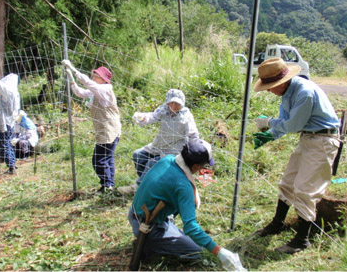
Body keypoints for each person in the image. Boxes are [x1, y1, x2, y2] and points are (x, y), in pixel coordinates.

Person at [252, 58, 340, 254]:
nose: (268, 90)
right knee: (288, 182)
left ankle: (302, 240)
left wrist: (268, 123)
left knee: (305, 190)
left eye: (270, 87)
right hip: (308, 138)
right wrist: (270, 135)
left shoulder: (304, 92)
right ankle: (278, 224)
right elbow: (286, 121)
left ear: (282, 82)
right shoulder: (287, 92)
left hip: (323, 141)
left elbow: (293, 125)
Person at [128, 138, 246, 271]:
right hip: (147, 226)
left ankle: (156, 238)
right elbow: (190, 227)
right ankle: (147, 245)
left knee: (185, 238)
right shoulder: (183, 186)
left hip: (134, 213)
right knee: (195, 251)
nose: (203, 168)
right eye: (203, 165)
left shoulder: (168, 160)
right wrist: (220, 252)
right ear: (195, 166)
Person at [118, 89, 199, 195]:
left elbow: (193, 135)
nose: (174, 105)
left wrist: (194, 154)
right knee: (138, 155)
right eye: (171, 102)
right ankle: (150, 184)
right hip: (159, 145)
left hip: (175, 149)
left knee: (153, 163)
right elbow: (152, 116)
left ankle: (138, 188)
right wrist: (143, 118)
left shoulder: (186, 116)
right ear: (168, 102)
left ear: (182, 103)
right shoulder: (164, 110)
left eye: (177, 103)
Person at [62, 60, 121, 193]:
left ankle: (107, 185)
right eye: (93, 75)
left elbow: (88, 83)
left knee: (98, 160)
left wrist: (73, 69)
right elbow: (80, 93)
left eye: (96, 76)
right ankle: (109, 185)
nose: (93, 77)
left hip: (109, 129)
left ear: (103, 79)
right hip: (105, 129)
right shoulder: (96, 92)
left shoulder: (105, 89)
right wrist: (71, 80)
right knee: (107, 158)